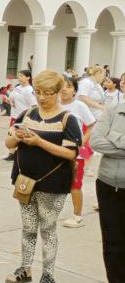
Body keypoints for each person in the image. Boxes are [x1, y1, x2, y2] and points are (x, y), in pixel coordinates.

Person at [5, 70, 81, 283]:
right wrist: (16, 137)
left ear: (58, 93)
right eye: (38, 92)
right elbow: (9, 142)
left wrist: (39, 142)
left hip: (53, 184)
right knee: (28, 227)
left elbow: (70, 154)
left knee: (47, 228)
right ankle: (25, 267)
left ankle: (48, 274)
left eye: (48, 93)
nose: (42, 97)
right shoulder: (27, 114)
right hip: (25, 181)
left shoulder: (67, 119)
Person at [90, 99, 125, 283]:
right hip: (108, 184)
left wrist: (113, 138)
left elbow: (105, 142)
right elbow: (95, 142)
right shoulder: (114, 109)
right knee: (112, 242)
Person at [59, 77, 97, 229]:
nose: (64, 89)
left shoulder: (79, 106)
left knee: (75, 185)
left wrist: (82, 141)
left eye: (68, 86)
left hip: (75, 153)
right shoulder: (53, 105)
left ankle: (77, 216)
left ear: (74, 90)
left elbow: (91, 124)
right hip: (54, 151)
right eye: (61, 86)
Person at [2, 70, 37, 161]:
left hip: (23, 116)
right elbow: (12, 98)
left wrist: (29, 117)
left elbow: (34, 106)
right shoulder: (18, 87)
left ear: (28, 77)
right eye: (19, 76)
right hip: (14, 114)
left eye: (22, 76)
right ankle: (12, 153)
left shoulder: (29, 90)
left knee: (20, 136)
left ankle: (17, 154)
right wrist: (8, 100)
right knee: (11, 134)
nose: (19, 78)